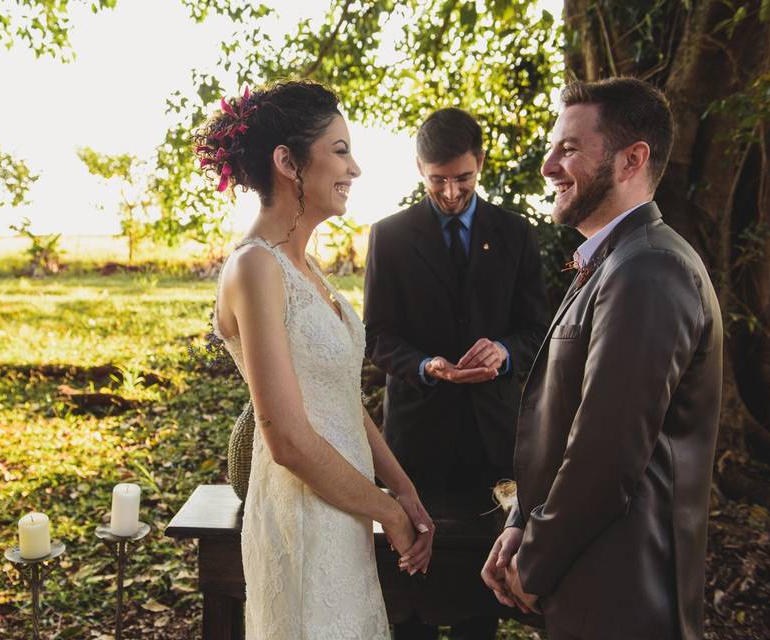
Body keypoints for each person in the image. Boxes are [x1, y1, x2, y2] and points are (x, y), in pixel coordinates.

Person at [480, 77, 723, 640]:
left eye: (569, 148)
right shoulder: (614, 261)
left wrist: (533, 564)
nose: (547, 165)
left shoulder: (649, 269)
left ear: (631, 159)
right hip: (588, 584)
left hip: (624, 598)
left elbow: (605, 454)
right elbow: (564, 423)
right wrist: (520, 522)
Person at [199, 80, 435, 640]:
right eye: (340, 150)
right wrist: (389, 513)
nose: (355, 169)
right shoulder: (255, 268)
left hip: (344, 512)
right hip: (301, 517)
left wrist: (403, 488)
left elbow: (340, 403)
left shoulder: (307, 270)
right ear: (287, 162)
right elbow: (287, 440)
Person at [364, 107, 548, 639]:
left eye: (462, 178)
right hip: (415, 443)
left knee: (477, 598)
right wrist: (426, 365)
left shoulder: (516, 233)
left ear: (481, 163)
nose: (449, 192)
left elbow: (539, 329)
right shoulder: (390, 236)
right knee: (410, 592)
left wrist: (505, 354)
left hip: (493, 444)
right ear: (419, 168)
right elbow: (377, 337)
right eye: (437, 179)